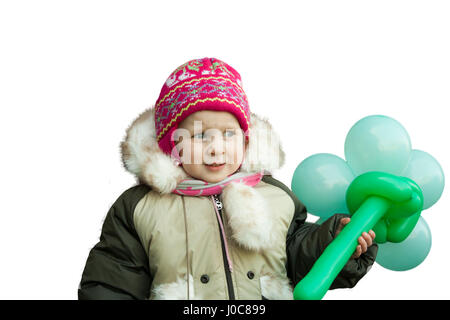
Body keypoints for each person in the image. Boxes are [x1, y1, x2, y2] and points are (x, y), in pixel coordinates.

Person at [78, 57, 377, 300]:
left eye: (229, 134)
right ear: (173, 144)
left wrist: (333, 239)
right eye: (199, 135)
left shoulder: (274, 196)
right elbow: (112, 282)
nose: (216, 148)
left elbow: (298, 254)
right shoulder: (140, 208)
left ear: (246, 139)